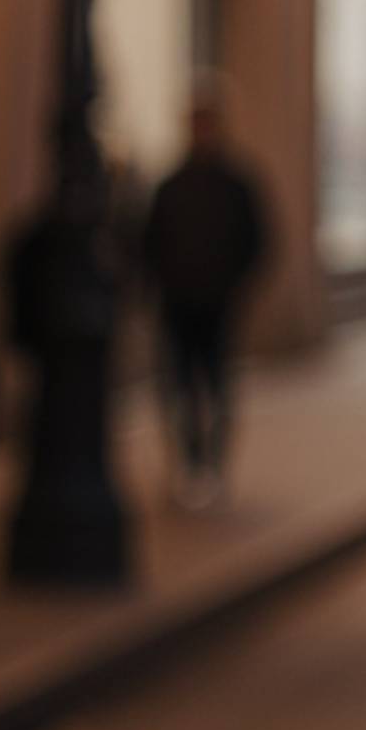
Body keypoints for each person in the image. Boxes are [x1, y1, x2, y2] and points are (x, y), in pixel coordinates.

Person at [137, 72, 273, 508]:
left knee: (215, 385)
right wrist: (155, 283)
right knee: (177, 387)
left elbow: (259, 240)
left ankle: (211, 464)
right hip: (177, 301)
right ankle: (189, 462)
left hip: (217, 302)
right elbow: (149, 241)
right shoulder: (171, 186)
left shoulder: (236, 184)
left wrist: (236, 285)